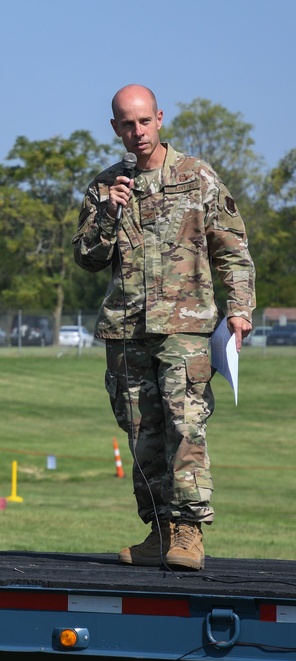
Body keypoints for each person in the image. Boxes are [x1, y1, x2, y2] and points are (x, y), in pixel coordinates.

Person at [72, 85, 256, 571]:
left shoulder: (197, 178)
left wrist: (240, 308)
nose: (138, 133)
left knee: (185, 424)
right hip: (127, 328)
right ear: (115, 128)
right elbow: (88, 259)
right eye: (127, 125)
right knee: (141, 433)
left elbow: (232, 248)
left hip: (186, 326)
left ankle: (189, 532)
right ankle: (160, 531)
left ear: (160, 118)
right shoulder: (105, 186)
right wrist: (109, 212)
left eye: (144, 122)